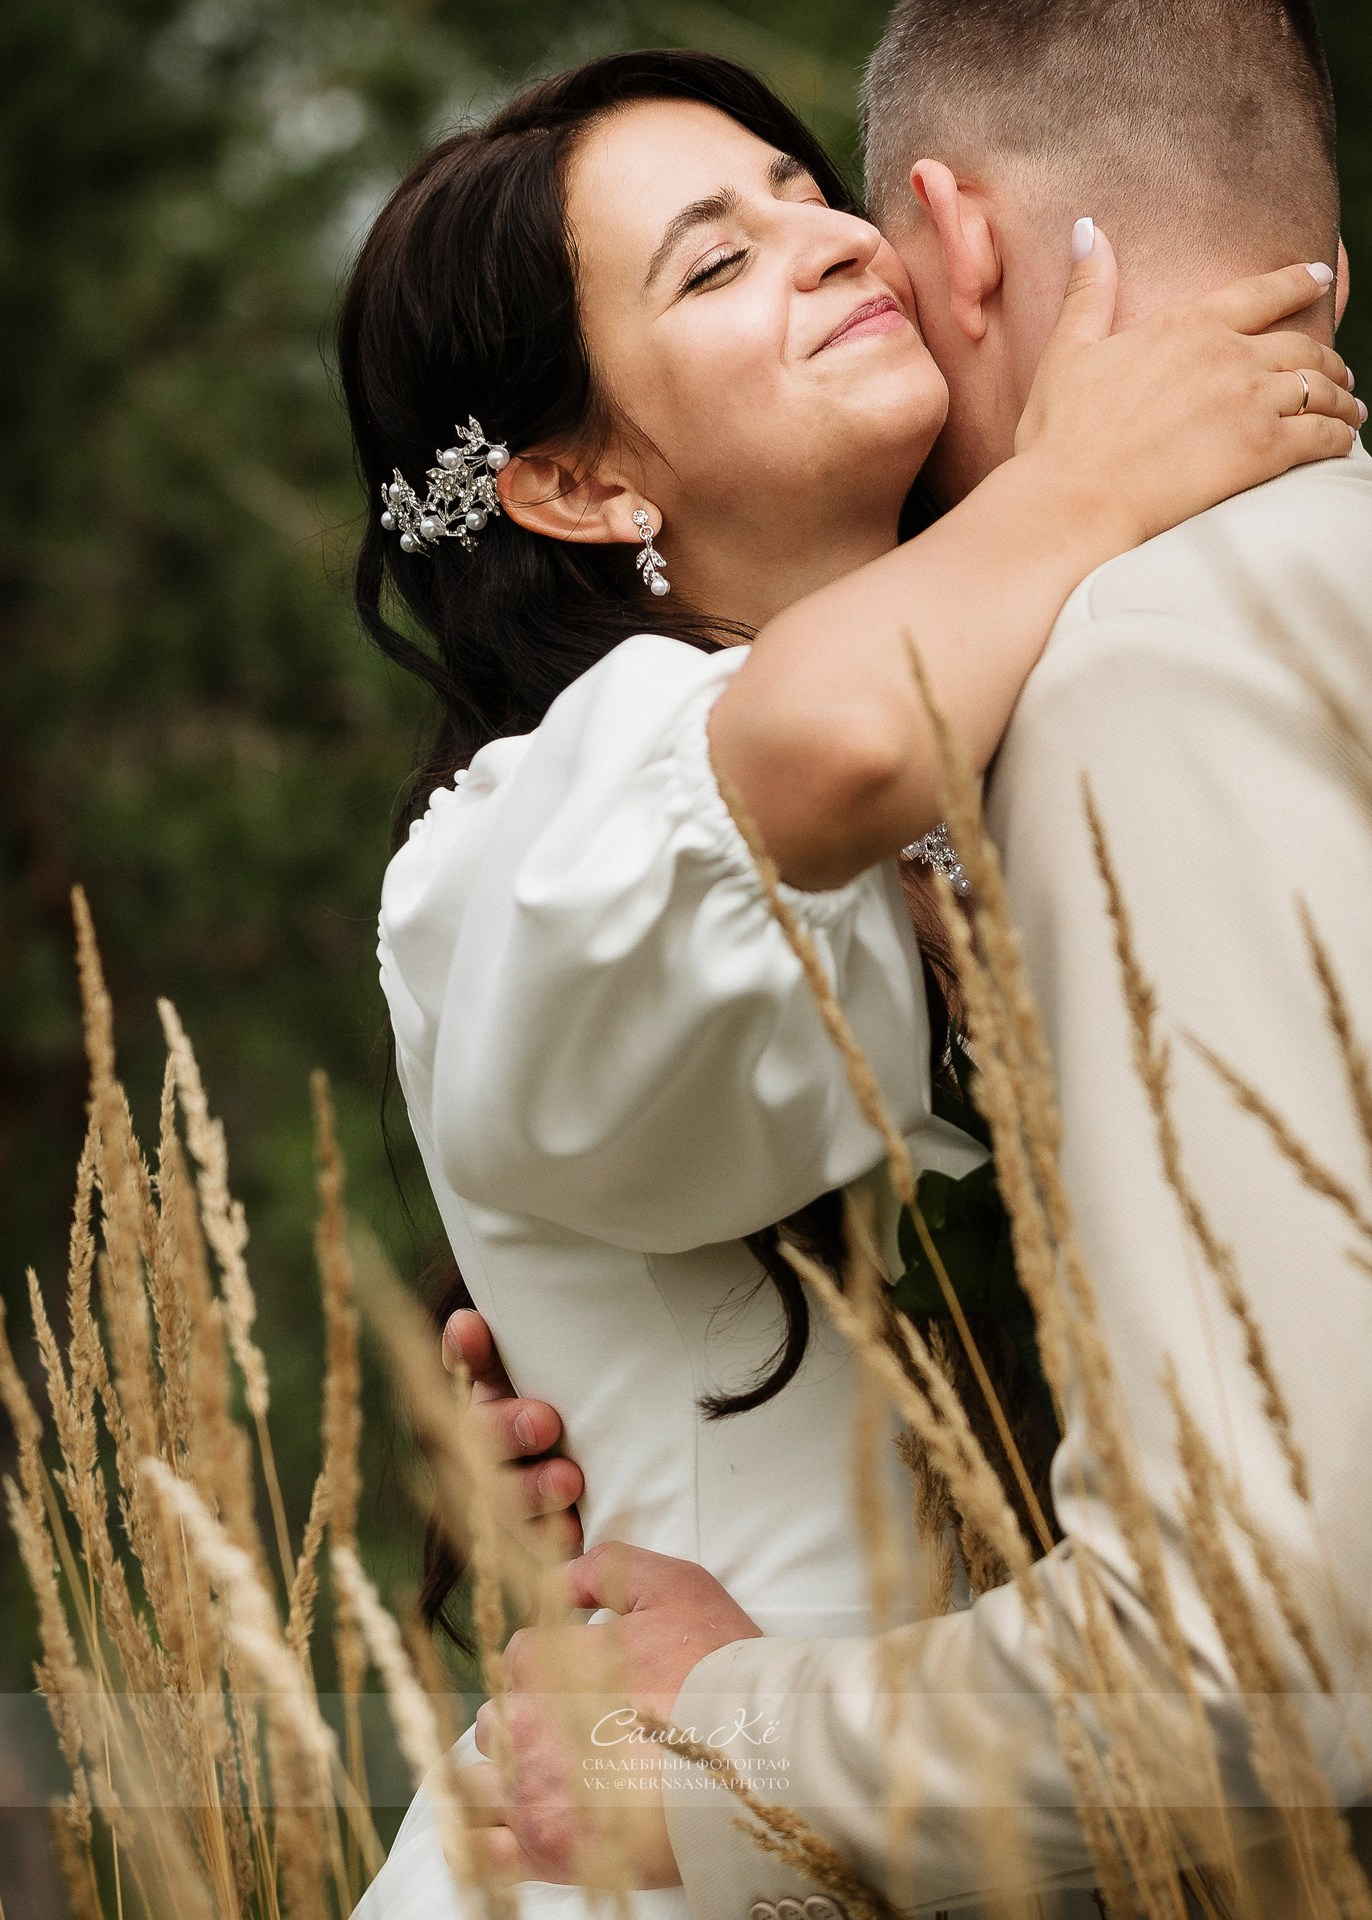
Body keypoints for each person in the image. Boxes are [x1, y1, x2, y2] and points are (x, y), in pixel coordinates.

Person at [337, 36, 1360, 1920]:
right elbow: (807, 759)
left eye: (809, 193)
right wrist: (1080, 471)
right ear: (571, 480)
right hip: (659, 1833)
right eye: (713, 264)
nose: (829, 242)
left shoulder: (1014, 730)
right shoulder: (529, 834)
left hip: (961, 1777)